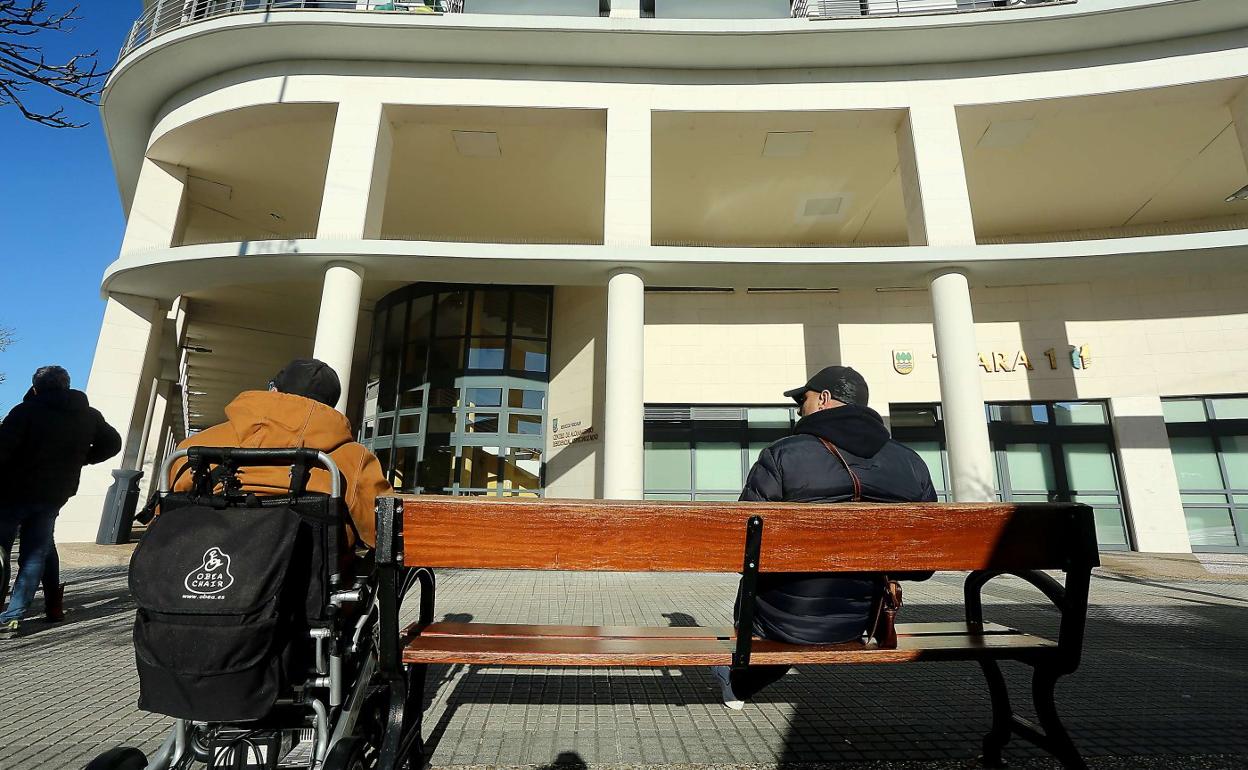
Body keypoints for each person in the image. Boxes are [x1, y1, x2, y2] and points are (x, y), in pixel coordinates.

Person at [710, 365, 936, 709]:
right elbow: (923, 564)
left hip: (784, 617)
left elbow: (743, 543)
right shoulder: (910, 461)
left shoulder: (784, 453)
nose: (800, 407)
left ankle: (738, 679)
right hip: (865, 619)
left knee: (761, 577)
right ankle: (738, 682)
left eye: (805, 398)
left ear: (825, 399)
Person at [172, 359, 391, 551]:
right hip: (307, 589)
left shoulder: (197, 445)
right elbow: (383, 532)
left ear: (273, 391)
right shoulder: (352, 457)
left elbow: (166, 513)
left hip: (199, 574)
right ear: (330, 407)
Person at [0, 366, 122, 638]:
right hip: (54, 493)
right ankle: (18, 613)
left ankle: (11, 609)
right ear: (67, 385)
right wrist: (82, 458)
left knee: (3, 551)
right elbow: (113, 443)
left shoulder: (25, 412)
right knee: (37, 551)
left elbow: (2, 450)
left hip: (12, 493)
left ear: (35, 388)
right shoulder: (88, 415)